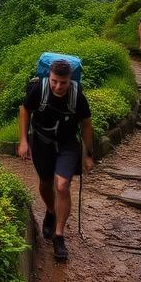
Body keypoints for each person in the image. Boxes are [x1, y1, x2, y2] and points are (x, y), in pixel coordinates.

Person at [17, 59, 94, 262]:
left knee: (62, 186)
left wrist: (88, 155)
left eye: (63, 82)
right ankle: (51, 211)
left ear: (70, 80)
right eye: (54, 81)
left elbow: (86, 124)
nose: (58, 87)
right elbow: (25, 109)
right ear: (48, 77)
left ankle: (59, 236)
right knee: (45, 182)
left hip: (68, 145)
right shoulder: (39, 89)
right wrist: (24, 141)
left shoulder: (77, 97)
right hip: (42, 142)